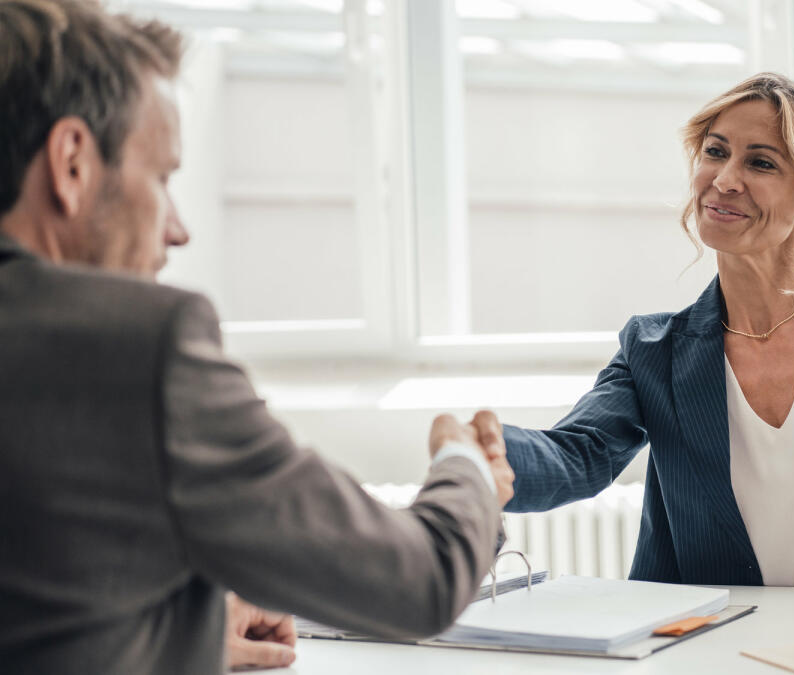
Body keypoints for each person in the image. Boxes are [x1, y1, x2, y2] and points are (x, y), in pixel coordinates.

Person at [0, 1, 514, 673]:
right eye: (161, 177)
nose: (177, 228)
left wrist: (188, 627)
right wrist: (466, 465)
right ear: (71, 163)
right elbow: (422, 577)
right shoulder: (140, 348)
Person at [466, 73, 794, 588]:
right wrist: (490, 454)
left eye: (761, 163)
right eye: (716, 152)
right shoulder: (653, 350)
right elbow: (578, 454)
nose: (724, 181)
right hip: (708, 640)